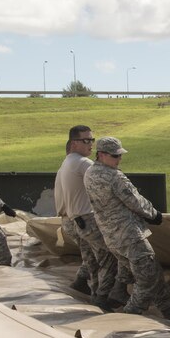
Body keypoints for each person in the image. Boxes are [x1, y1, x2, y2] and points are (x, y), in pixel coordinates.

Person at [84, 137, 170, 320]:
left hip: (111, 237)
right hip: (129, 235)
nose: (119, 159)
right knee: (147, 276)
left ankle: (167, 309)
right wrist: (154, 215)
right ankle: (129, 313)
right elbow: (134, 200)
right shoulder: (113, 176)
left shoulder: (89, 173)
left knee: (151, 270)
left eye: (120, 155)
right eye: (115, 155)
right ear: (101, 155)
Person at [54, 125, 130, 309]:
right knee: (113, 256)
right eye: (86, 140)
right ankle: (108, 296)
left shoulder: (68, 162)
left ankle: (97, 294)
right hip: (87, 219)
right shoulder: (82, 163)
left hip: (74, 220)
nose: (91, 145)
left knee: (93, 261)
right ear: (74, 143)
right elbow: (106, 179)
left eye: (92, 140)